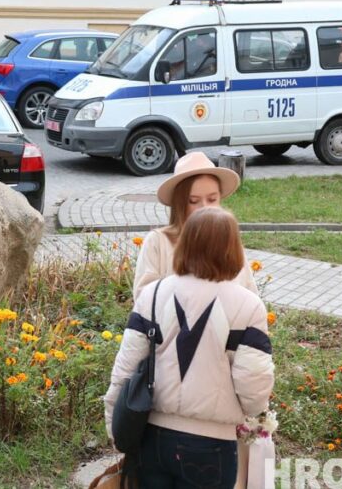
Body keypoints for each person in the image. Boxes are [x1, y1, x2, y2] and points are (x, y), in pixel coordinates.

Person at [105, 208, 275, 488]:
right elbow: (254, 386)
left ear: (185, 244)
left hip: (153, 439)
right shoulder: (248, 306)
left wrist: (116, 428)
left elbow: (125, 368)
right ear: (233, 248)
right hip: (213, 446)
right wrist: (256, 419)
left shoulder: (153, 294)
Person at [132, 151, 256, 299]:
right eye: (193, 201)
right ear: (180, 203)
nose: (204, 207)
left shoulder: (227, 240)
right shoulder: (158, 241)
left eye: (212, 199)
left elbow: (250, 294)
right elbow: (143, 298)